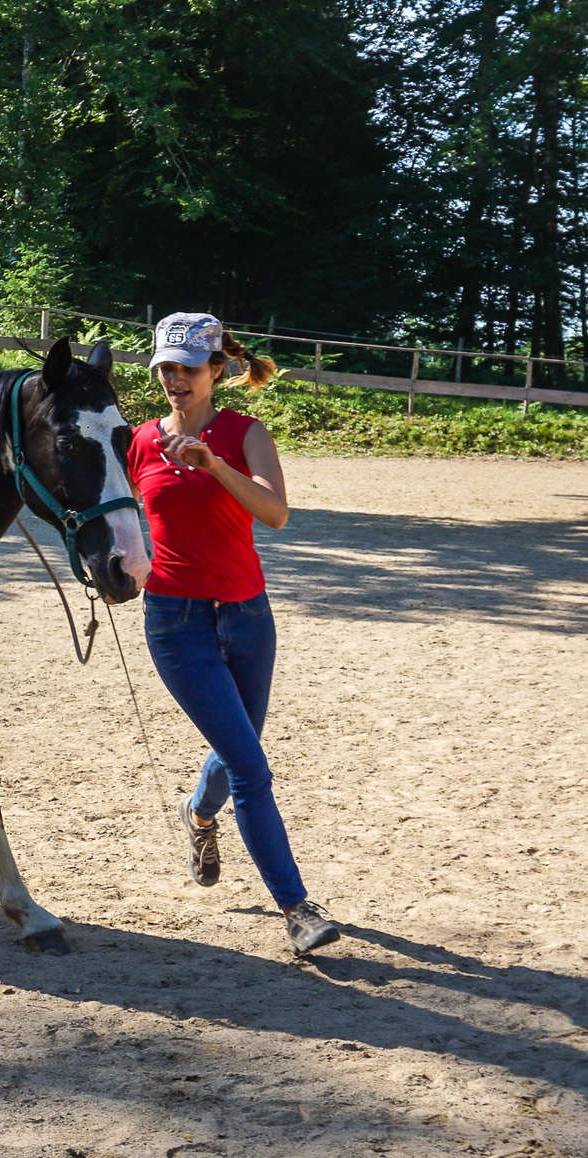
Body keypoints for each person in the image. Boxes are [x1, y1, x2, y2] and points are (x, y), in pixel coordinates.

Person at [126, 312, 340, 955]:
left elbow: (275, 513)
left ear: (217, 370)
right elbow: (112, 517)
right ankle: (297, 909)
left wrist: (213, 464)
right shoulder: (136, 442)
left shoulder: (246, 435)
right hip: (176, 623)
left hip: (248, 617)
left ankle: (198, 814)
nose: (175, 379)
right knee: (251, 766)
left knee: (239, 747)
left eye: (188, 368)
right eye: (166, 367)